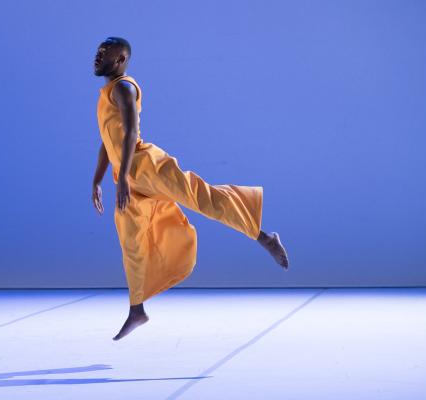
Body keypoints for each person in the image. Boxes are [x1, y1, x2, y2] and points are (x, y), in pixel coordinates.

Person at [92, 37, 289, 341]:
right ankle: (137, 309)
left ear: (120, 61)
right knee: (131, 239)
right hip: (126, 176)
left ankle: (264, 236)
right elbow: (108, 142)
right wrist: (97, 179)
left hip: (146, 166)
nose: (97, 56)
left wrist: (127, 177)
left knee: (202, 198)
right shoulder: (106, 95)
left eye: (105, 53)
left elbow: (130, 133)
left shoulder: (123, 88)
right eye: (98, 52)